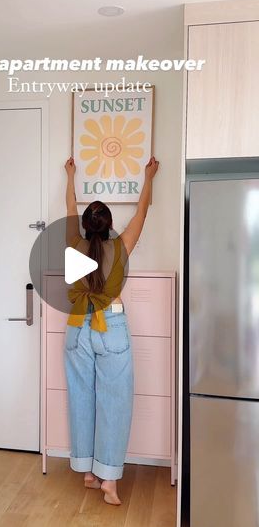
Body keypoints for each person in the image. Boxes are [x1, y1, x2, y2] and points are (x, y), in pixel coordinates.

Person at [64, 155, 159, 505]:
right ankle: (109, 481)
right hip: (110, 327)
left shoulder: (74, 242)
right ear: (109, 224)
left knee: (81, 398)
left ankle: (88, 471)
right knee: (114, 403)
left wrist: (70, 175)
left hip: (77, 327)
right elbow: (142, 212)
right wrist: (148, 176)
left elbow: (69, 206)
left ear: (88, 225)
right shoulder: (121, 246)